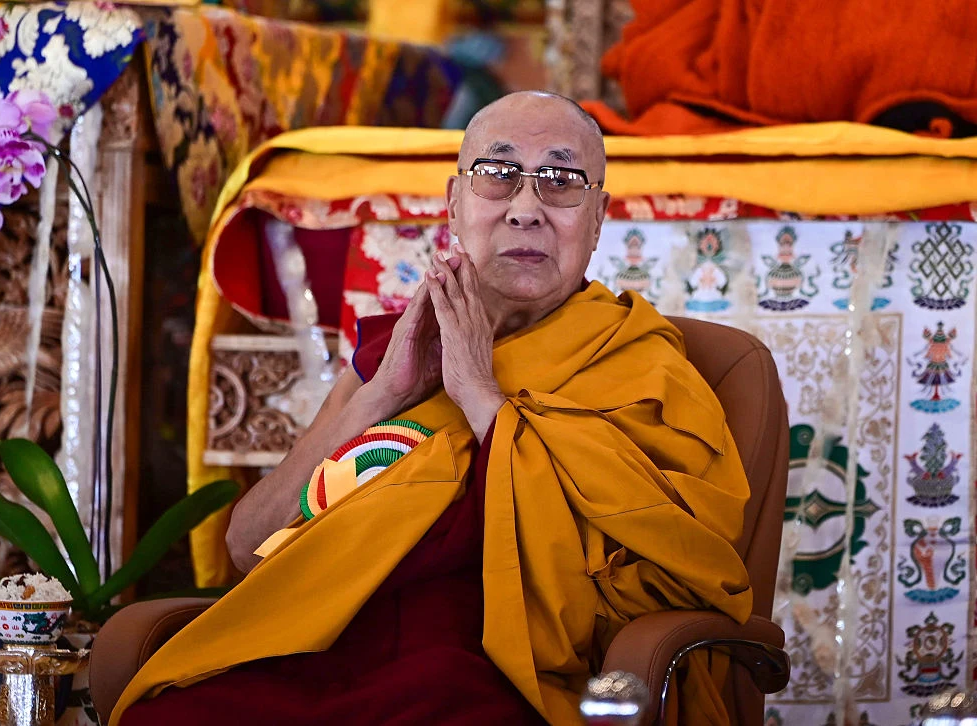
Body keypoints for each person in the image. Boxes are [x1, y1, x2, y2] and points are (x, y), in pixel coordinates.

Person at [112, 91, 753, 726]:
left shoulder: (644, 369)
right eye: (498, 174)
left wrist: (480, 396)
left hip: (493, 678)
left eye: (561, 182)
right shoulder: (399, 354)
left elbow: (677, 574)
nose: (525, 209)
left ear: (598, 217)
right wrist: (380, 397)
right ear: (454, 203)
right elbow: (247, 546)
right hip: (314, 660)